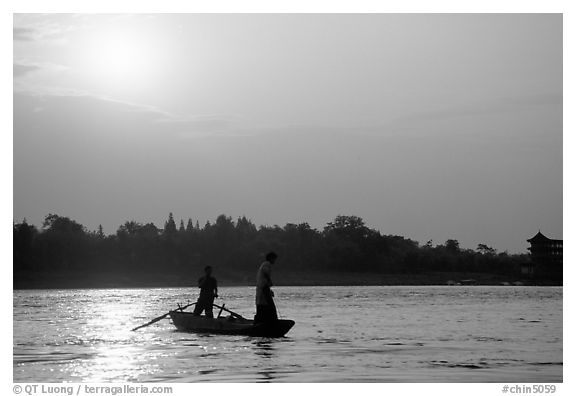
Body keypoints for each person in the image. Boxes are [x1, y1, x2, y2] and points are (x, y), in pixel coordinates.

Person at [254, 252, 278, 324]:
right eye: (274, 259)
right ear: (271, 258)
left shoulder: (265, 265)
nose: (274, 261)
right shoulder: (266, 264)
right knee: (268, 306)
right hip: (263, 288)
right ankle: (271, 320)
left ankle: (263, 320)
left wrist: (269, 289)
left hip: (264, 288)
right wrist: (269, 281)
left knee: (263, 305)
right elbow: (265, 272)